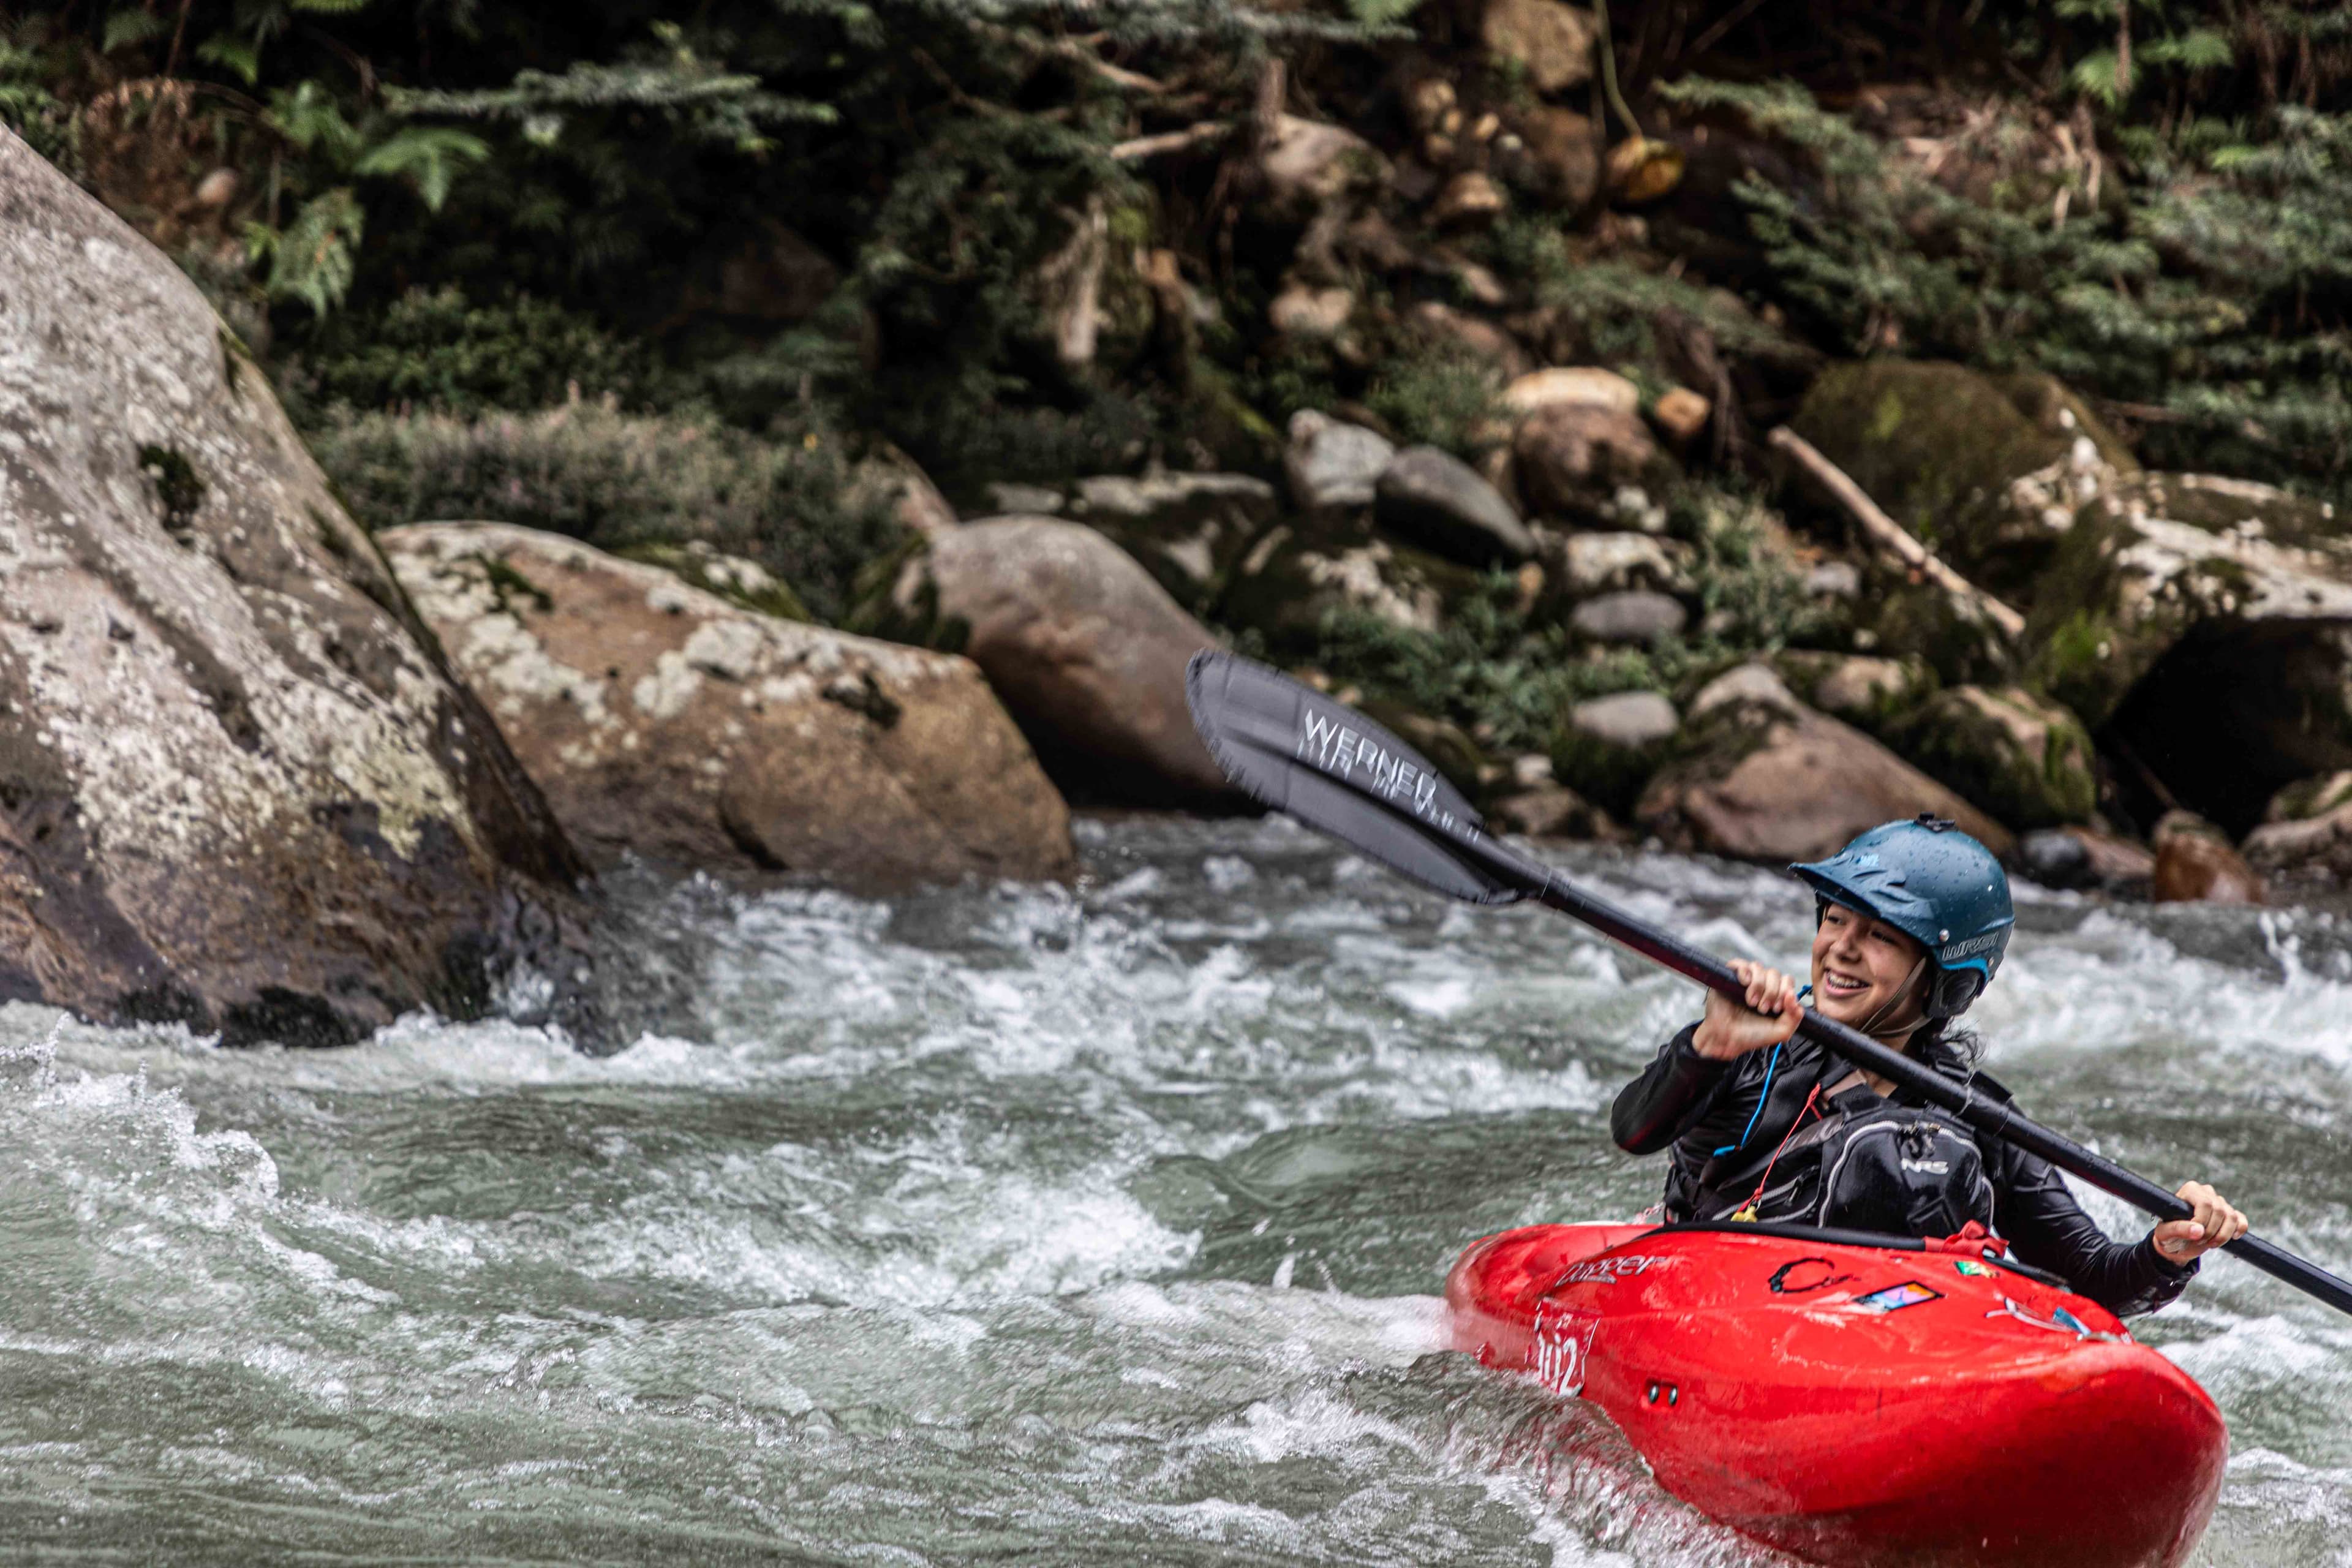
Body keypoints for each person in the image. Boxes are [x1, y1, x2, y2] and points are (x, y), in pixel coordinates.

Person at [1610, 814, 2248, 1317]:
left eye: (1880, 936)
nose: (1841, 949)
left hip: (1886, 1331)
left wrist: (2167, 1253)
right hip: (1722, 1304)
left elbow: (2090, 1278)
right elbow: (1634, 1130)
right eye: (1835, 919)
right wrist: (1706, 1046)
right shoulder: (1751, 1047)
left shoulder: (1974, 1113)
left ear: (1943, 980)